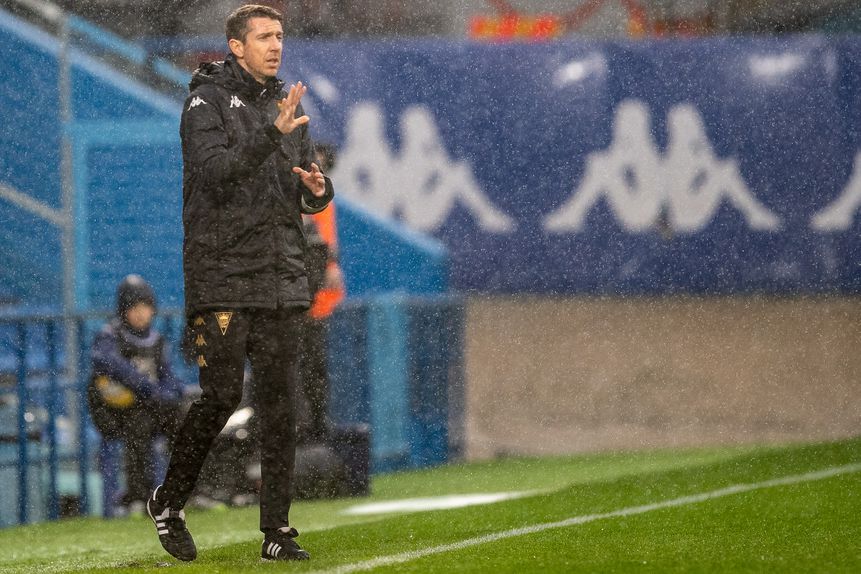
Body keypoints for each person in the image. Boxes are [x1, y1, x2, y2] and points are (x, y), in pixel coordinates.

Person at [146, 4, 334, 563]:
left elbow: (297, 192)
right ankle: (168, 500)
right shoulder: (204, 103)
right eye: (264, 37)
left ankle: (276, 530)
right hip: (223, 276)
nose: (276, 46)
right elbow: (216, 174)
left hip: (279, 277)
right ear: (235, 46)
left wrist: (317, 191)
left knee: (280, 406)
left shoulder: (286, 106)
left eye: (280, 36)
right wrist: (272, 135)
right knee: (222, 397)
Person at [88, 274, 183, 514]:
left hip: (150, 406)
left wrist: (170, 394)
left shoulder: (157, 341)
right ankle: (138, 496)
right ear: (123, 311)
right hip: (114, 411)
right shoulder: (109, 336)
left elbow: (168, 377)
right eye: (134, 308)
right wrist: (148, 389)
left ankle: (185, 489)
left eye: (145, 308)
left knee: (186, 421)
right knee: (140, 425)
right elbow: (111, 365)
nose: (140, 314)